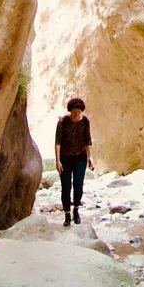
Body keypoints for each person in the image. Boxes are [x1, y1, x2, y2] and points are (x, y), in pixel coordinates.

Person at [54, 96, 93, 227]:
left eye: (79, 112)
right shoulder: (63, 122)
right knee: (66, 187)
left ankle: (76, 210)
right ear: (70, 111)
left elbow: (88, 140)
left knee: (78, 185)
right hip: (65, 158)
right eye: (74, 112)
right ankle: (67, 214)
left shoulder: (85, 121)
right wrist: (57, 160)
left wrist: (90, 157)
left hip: (80, 158)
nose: (77, 114)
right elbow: (57, 142)